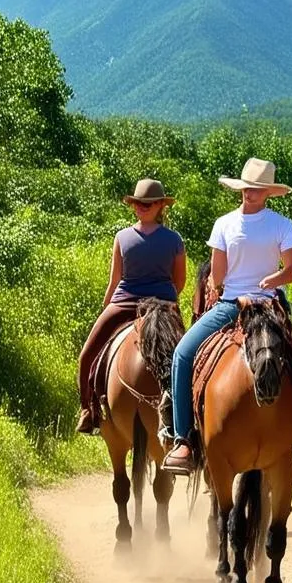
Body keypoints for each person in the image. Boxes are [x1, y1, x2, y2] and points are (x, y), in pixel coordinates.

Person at [161, 158, 292, 477]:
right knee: (182, 354)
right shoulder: (224, 224)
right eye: (246, 188)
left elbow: (291, 270)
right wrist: (234, 292)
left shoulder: (282, 224)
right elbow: (216, 276)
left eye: (257, 189)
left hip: (270, 305)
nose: (250, 194)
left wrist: (273, 281)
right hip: (231, 304)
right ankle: (182, 440)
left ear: (268, 192)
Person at [76, 179, 186, 434]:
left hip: (162, 307)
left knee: (188, 358)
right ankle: (88, 409)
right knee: (86, 355)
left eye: (149, 203)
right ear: (133, 206)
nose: (143, 207)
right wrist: (106, 308)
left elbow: (178, 280)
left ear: (161, 205)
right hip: (125, 300)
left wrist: (164, 303)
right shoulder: (122, 237)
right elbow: (115, 280)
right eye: (138, 203)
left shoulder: (174, 240)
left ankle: (188, 420)